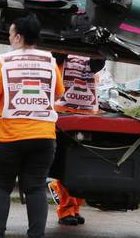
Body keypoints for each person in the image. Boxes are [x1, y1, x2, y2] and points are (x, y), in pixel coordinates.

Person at [0, 14, 64, 238]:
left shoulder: (3, 61)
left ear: (19, 37)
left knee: (1, 187)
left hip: (10, 137)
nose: (9, 38)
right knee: (36, 187)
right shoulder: (50, 61)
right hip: (44, 137)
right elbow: (57, 94)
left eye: (11, 34)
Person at [48, 53, 104, 227]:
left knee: (81, 165)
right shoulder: (61, 46)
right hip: (63, 111)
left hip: (86, 111)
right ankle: (66, 210)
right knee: (66, 164)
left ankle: (74, 208)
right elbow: (56, 57)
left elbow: (97, 65)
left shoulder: (91, 48)